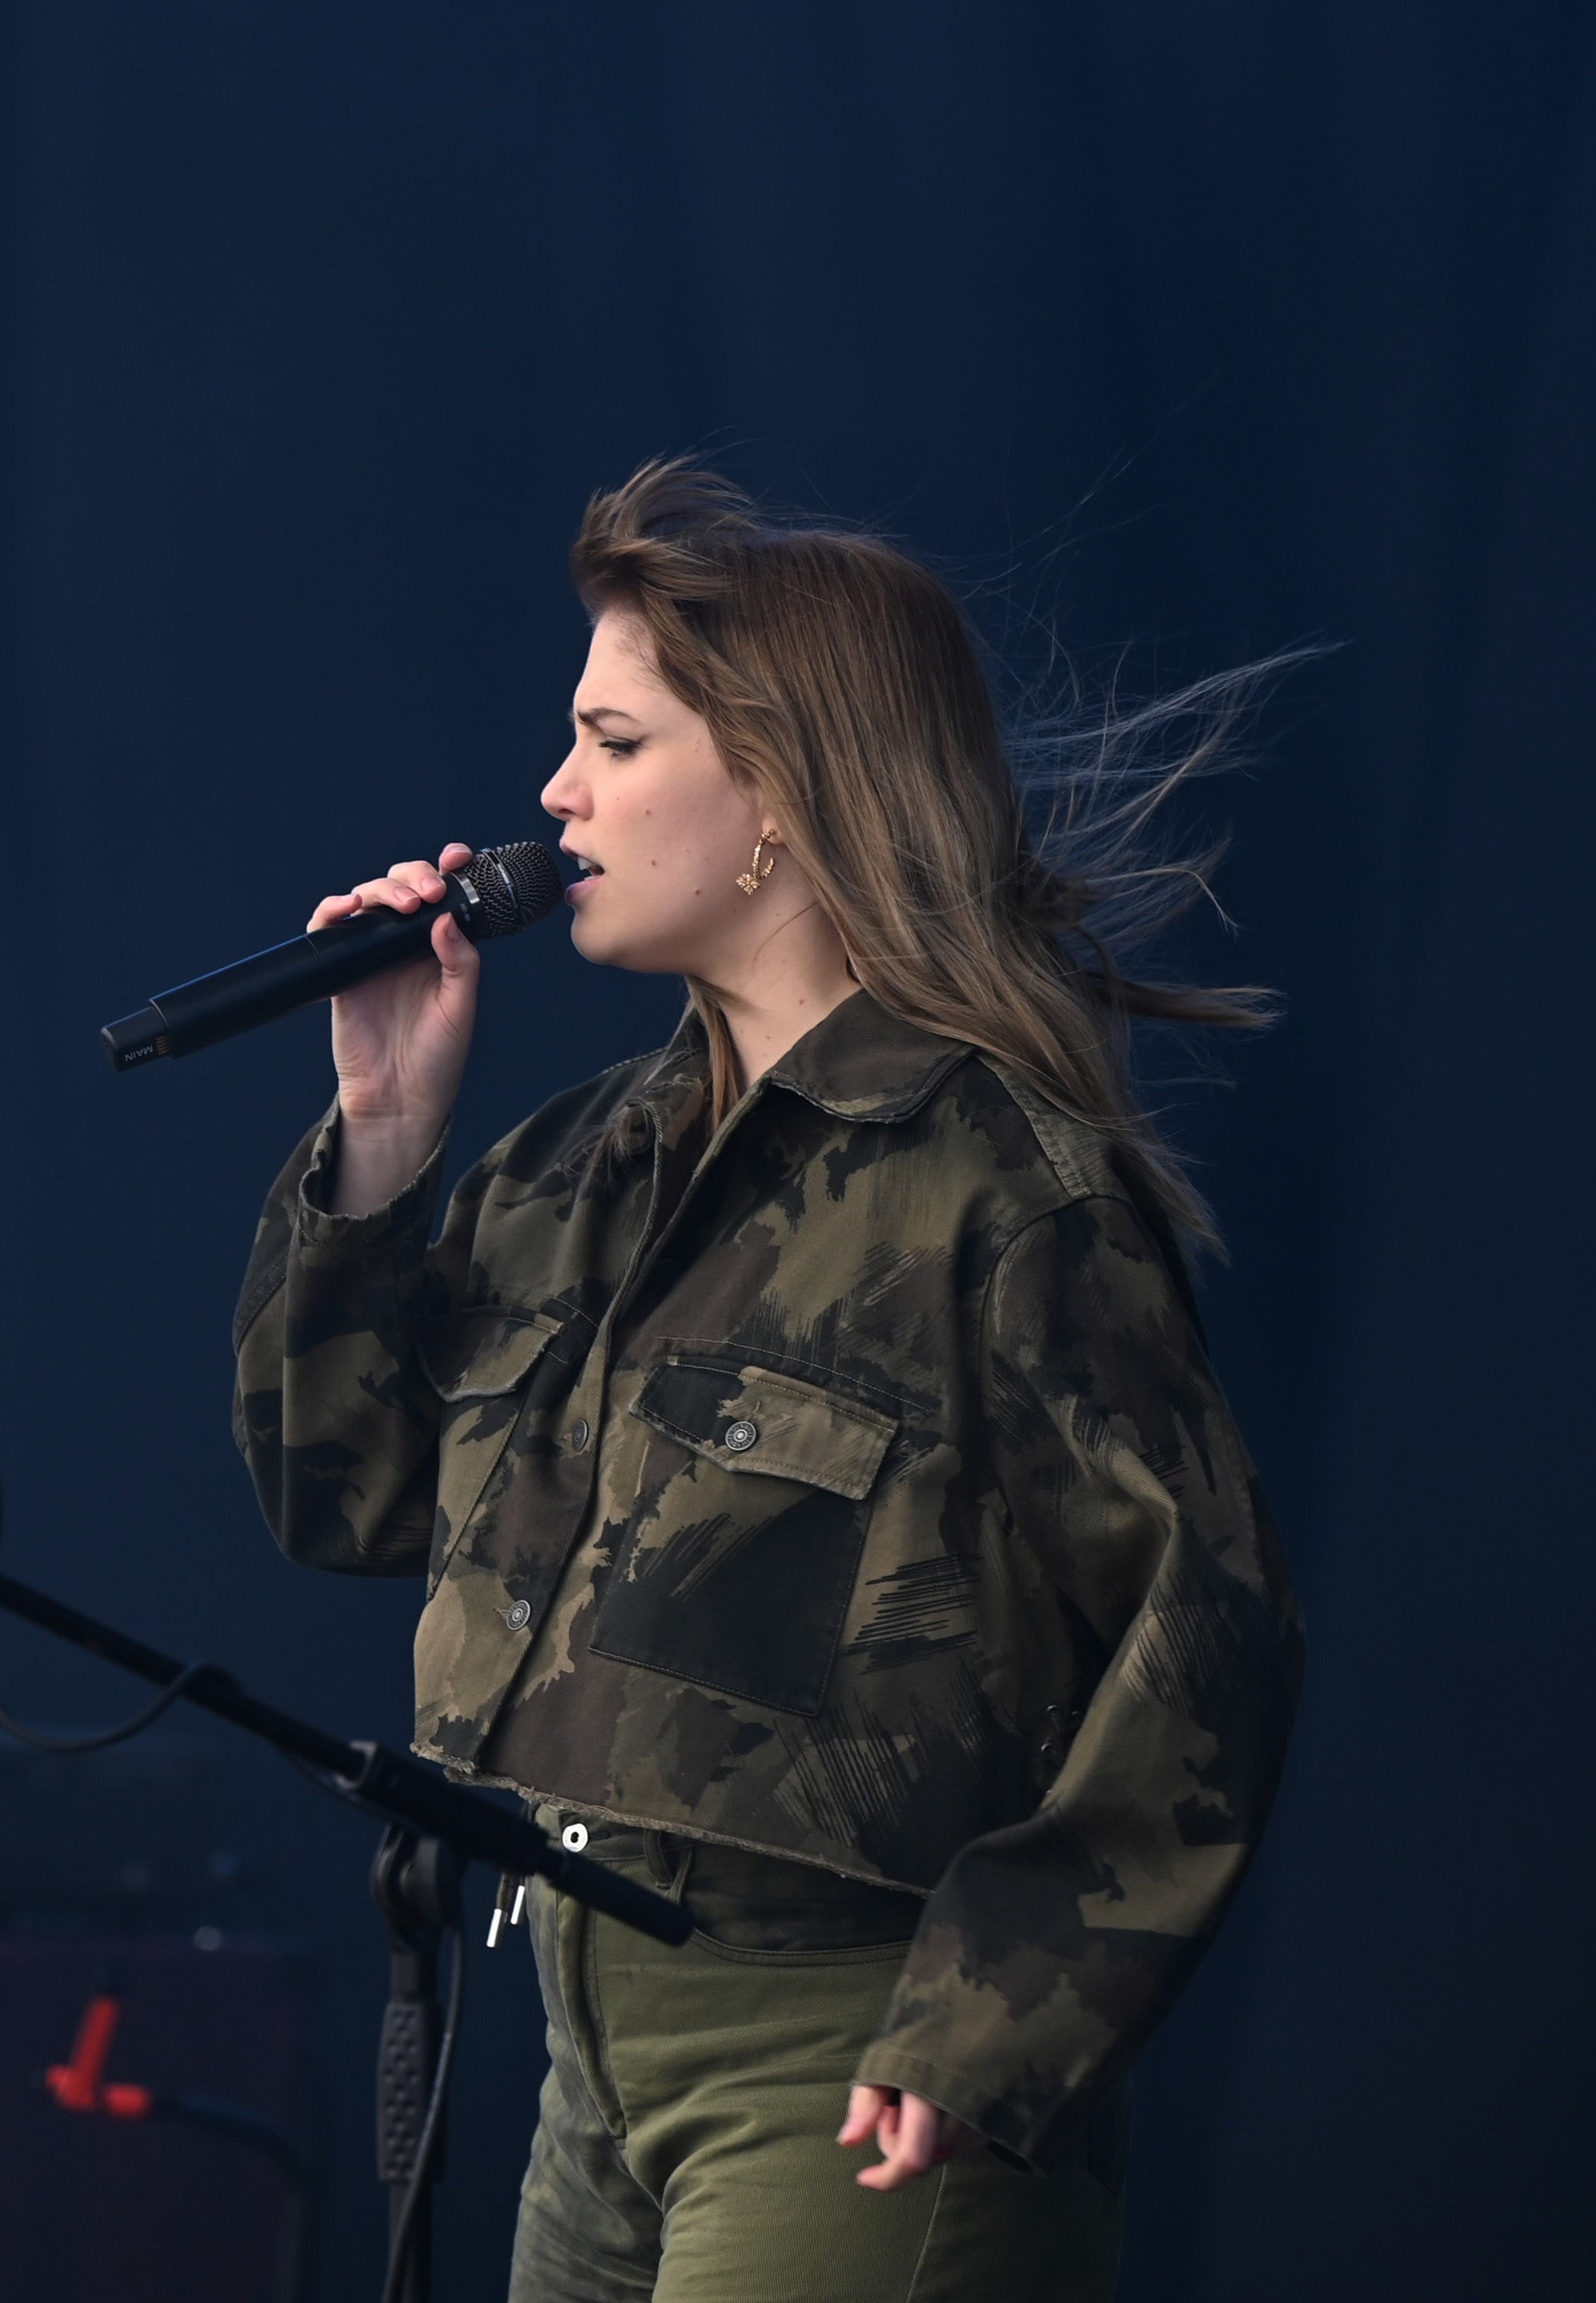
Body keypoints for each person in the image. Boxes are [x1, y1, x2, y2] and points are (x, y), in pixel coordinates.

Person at [231, 461, 1303, 2301]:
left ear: (778, 800)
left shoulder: (998, 1187)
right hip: (586, 2056)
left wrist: (994, 2020)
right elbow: (347, 1498)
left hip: (842, 2062)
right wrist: (383, 1139)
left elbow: (1203, 1636)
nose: (555, 794)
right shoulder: (578, 1168)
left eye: (611, 740)